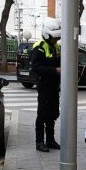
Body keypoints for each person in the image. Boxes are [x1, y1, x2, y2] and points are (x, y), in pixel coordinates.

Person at [31, 18, 61, 152]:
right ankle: (39, 142)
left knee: (53, 113)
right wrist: (54, 70)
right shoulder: (39, 46)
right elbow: (36, 68)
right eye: (54, 38)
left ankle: (50, 140)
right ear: (46, 35)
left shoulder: (56, 46)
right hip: (44, 86)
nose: (56, 40)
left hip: (54, 86)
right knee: (42, 114)